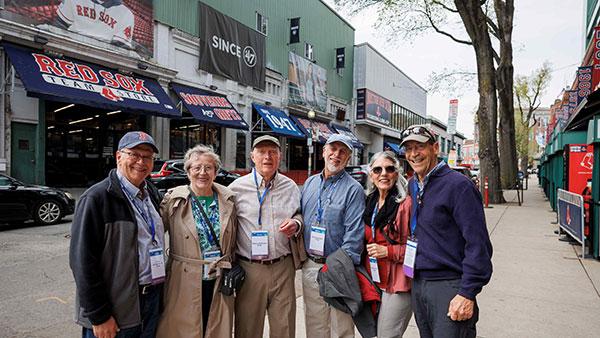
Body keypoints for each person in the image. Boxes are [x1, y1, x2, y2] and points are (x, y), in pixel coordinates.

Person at [70, 131, 165, 338]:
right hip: (116, 309)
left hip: (151, 300)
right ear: (118, 157)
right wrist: (99, 315)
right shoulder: (96, 198)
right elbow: (82, 262)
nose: (141, 161)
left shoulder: (152, 194)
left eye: (148, 156)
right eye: (134, 154)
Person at [401, 125, 493, 338]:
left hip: (449, 285)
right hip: (419, 283)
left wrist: (467, 292)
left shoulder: (459, 186)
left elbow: (478, 244)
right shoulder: (413, 185)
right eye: (409, 149)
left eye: (420, 147)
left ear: (435, 148)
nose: (414, 154)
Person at [156, 145, 237, 338]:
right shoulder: (173, 200)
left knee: (214, 327)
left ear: (216, 172)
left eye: (208, 168)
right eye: (197, 167)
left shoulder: (229, 200)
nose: (203, 173)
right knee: (183, 328)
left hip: (218, 276)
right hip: (184, 277)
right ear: (188, 171)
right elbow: (154, 235)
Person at [229, 135, 305, 338]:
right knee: (247, 328)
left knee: (284, 328)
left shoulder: (290, 187)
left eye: (272, 152)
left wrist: (296, 224)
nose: (267, 157)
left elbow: (299, 213)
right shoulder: (236, 188)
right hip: (250, 269)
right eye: (262, 152)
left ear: (280, 156)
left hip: (283, 267)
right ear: (252, 156)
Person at [301, 133, 365, 338]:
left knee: (341, 328)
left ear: (348, 158)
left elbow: (354, 236)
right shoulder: (309, 184)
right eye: (333, 149)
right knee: (315, 325)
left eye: (343, 151)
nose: (336, 155)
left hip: (339, 268)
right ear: (323, 151)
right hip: (311, 265)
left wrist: (335, 267)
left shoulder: (353, 189)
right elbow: (300, 217)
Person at [362, 151, 413, 338]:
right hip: (373, 279)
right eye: (377, 169)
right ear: (371, 175)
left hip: (399, 282)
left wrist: (388, 251)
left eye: (389, 169)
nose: (383, 174)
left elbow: (419, 249)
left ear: (397, 173)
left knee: (387, 334)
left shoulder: (406, 204)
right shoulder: (370, 202)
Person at [56, 0, 135, 48]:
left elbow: (120, 48)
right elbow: (59, 27)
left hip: (100, 57)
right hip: (67, 46)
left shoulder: (126, 14)